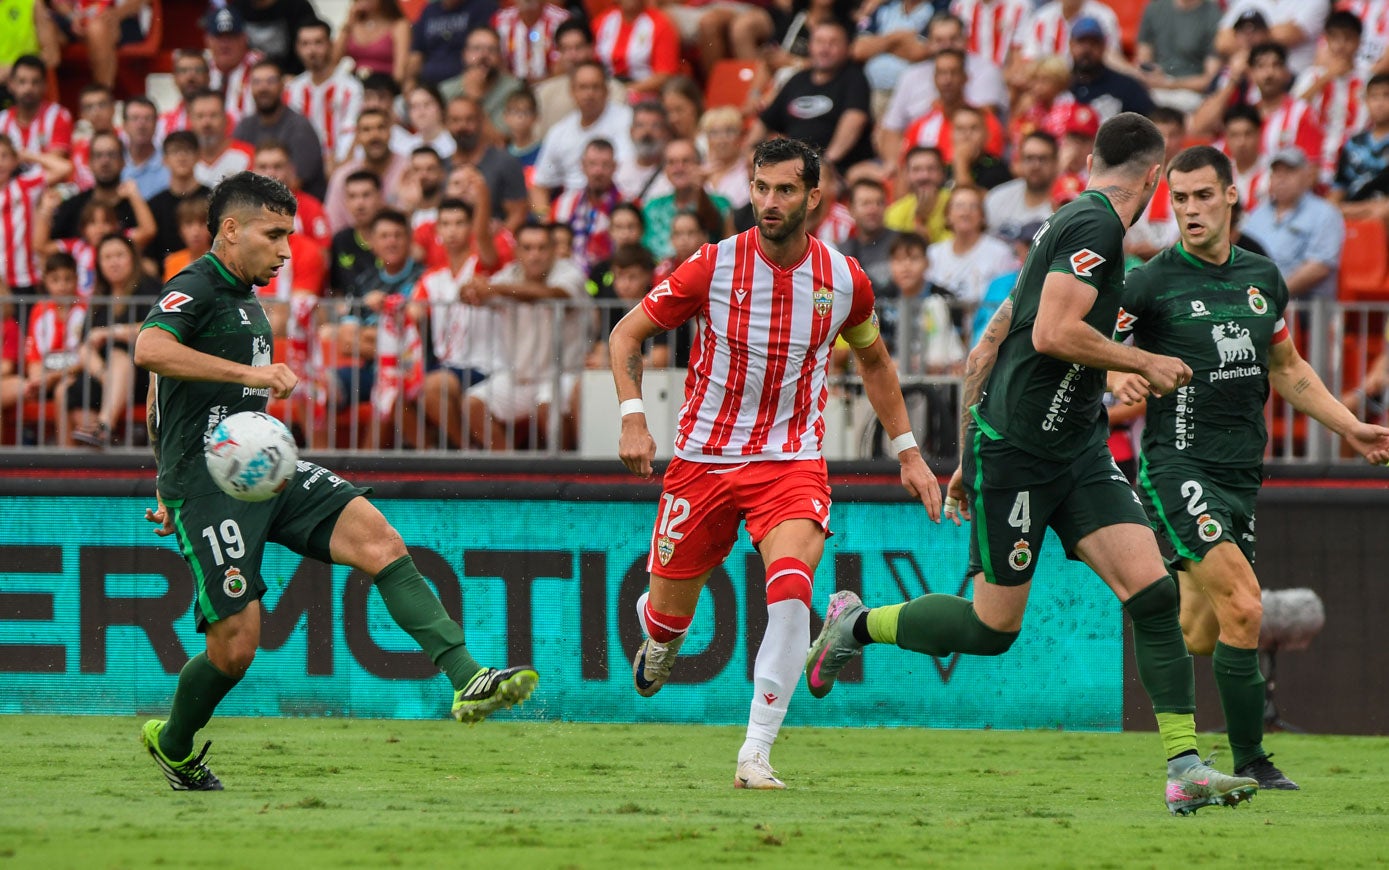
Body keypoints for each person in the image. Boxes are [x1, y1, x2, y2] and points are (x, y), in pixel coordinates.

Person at [803, 113, 1260, 816]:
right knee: (992, 630)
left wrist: (962, 447)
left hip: (1072, 449)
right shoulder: (1096, 227)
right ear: (1157, 178)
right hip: (1015, 453)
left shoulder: (1063, 223)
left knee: (1152, 594)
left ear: (1087, 163)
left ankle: (1184, 766)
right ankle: (856, 623)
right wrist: (1141, 361)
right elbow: (1049, 334)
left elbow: (989, 343)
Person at [134, 171, 537, 790]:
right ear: (230, 229)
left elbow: (161, 395)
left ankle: (466, 678)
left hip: (267, 468)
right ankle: (174, 741)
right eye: (273, 235)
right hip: (211, 484)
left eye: (290, 236)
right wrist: (173, 479)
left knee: (380, 541)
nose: (286, 250)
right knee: (235, 650)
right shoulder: (195, 284)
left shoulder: (245, 294)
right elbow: (150, 351)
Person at [609, 137, 942, 790]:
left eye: (784, 189)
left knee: (790, 587)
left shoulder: (845, 281)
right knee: (666, 620)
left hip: (790, 461)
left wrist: (908, 453)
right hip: (703, 461)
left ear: (813, 198)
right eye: (760, 188)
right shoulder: (712, 266)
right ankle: (661, 632)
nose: (768, 201)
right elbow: (626, 332)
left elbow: (873, 361)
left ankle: (754, 753)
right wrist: (631, 415)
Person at [1111, 144, 1389, 790]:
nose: (1188, 211)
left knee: (1202, 629)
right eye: (1177, 199)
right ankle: (1251, 762)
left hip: (1240, 474)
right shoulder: (1149, 282)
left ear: (1232, 196)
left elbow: (1286, 369)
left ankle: (1156, 650)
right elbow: (1087, 338)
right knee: (1244, 604)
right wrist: (1120, 374)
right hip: (1175, 462)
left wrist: (1347, 426)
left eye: (1201, 196)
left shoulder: (1262, 279)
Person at [748, 19, 874, 176]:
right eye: (819, 42)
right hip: (793, 165)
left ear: (847, 48)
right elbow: (765, 121)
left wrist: (826, 162)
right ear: (810, 46)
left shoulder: (855, 78)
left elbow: (854, 121)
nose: (825, 49)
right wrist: (749, 149)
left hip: (836, 168)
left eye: (833, 43)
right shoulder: (797, 80)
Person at [1241, 146, 1344, 299]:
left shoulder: (1325, 214)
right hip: (1258, 301)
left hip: (1304, 307)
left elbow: (1319, 267)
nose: (1282, 178)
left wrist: (1274, 295)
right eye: (1277, 172)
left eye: (1289, 172)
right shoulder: (1257, 214)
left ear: (1307, 176)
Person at [232, 58, 326, 199]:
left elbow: (294, 183)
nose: (263, 88)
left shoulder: (300, 128)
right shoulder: (245, 126)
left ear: (282, 85)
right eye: (257, 82)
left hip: (296, 208)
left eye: (270, 81)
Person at [285, 18, 364, 174]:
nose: (312, 51)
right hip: (300, 167)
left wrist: (338, 165)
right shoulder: (293, 89)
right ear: (297, 48)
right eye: (305, 44)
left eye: (318, 43)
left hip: (339, 166)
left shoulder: (351, 88)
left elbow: (350, 132)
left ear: (330, 44)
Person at [1134, 0, 1222, 111]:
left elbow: (1210, 79)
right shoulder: (1154, 7)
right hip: (1155, 85)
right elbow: (1143, 59)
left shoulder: (1213, 15)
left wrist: (1169, 84)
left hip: (1189, 92)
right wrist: (1149, 73)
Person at [985, 130, 1058, 242]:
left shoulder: (1064, 203)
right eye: (1029, 158)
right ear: (1020, 161)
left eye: (1042, 159)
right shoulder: (997, 197)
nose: (1035, 166)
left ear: (1055, 162)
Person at [409, 0, 499, 89]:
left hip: (464, 82)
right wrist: (410, 81)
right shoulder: (429, 11)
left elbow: (486, 50)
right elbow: (417, 53)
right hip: (429, 84)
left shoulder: (482, 7)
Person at [333, 0, 411, 83]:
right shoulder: (353, 23)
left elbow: (400, 71)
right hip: (355, 82)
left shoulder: (399, 25)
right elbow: (333, 60)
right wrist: (348, 22)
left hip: (384, 85)